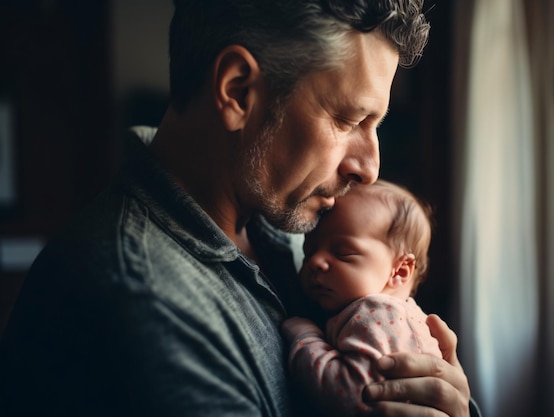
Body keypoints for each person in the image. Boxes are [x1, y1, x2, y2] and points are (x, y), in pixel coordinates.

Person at [0, 1, 478, 416]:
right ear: (238, 91)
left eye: (375, 124)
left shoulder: (289, 218)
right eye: (348, 119)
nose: (369, 168)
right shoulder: (145, 305)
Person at [282, 180, 442, 416]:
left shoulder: (377, 313)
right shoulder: (396, 315)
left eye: (343, 253)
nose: (315, 262)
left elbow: (353, 396)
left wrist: (305, 337)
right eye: (309, 252)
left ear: (399, 271)